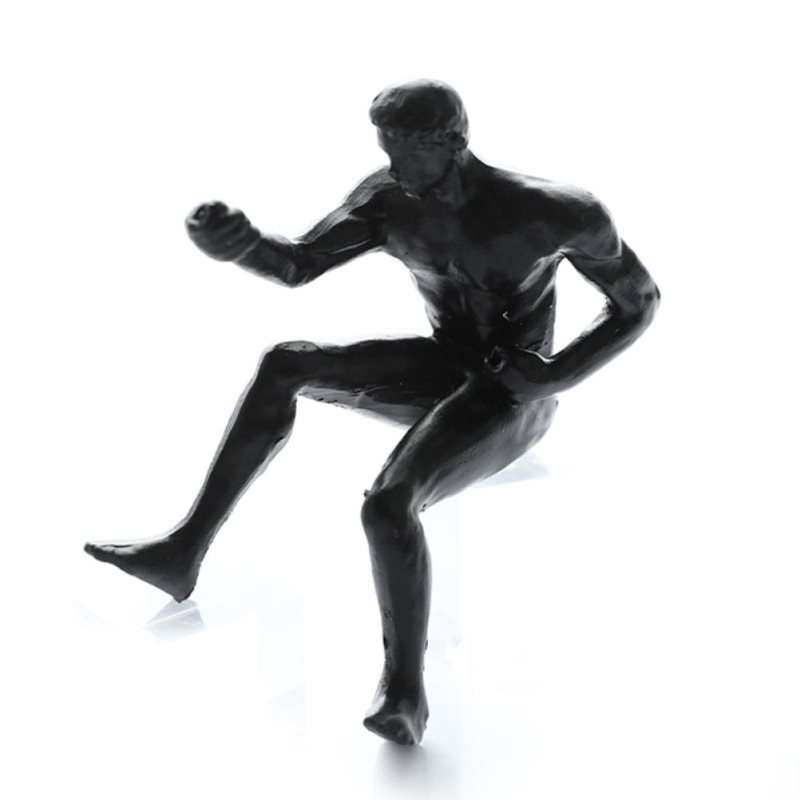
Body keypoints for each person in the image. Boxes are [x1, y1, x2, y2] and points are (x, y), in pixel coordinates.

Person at [85, 79, 660, 745]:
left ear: (453, 142)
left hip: (512, 394)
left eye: (407, 152)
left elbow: (638, 301)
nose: (394, 166)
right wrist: (242, 246)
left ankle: (405, 692)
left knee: (387, 505)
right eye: (387, 150)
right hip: (444, 362)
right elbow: (299, 264)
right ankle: (182, 551)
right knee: (285, 363)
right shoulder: (389, 201)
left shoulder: (553, 211)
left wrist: (555, 374)